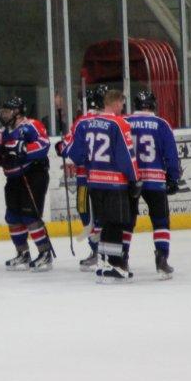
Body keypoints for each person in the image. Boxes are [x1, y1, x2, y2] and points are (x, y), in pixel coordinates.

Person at [65, 89, 140, 282]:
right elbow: (126, 155)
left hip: (94, 183)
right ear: (116, 102)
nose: (122, 107)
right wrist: (134, 178)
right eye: (121, 103)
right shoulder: (119, 123)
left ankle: (104, 263)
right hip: (115, 182)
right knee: (115, 223)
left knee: (104, 223)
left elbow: (74, 155)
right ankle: (114, 265)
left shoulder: (87, 124)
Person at [124, 90, 181, 279]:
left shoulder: (124, 122)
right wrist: (173, 177)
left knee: (127, 221)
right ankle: (162, 260)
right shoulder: (161, 124)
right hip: (155, 181)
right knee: (161, 220)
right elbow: (171, 154)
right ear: (153, 105)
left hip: (130, 179)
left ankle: (122, 258)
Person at [0, 97, 52, 272]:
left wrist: (24, 149)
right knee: (13, 217)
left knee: (30, 216)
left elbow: (44, 145)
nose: (4, 115)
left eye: (7, 111)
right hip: (13, 179)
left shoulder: (32, 125)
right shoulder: (2, 132)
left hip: (33, 175)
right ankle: (23, 254)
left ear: (18, 112)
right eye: (3, 111)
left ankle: (45, 254)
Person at [57, 85, 107, 271]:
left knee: (86, 213)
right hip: (109, 180)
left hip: (85, 179)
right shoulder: (115, 120)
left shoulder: (82, 122)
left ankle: (97, 251)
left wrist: (60, 146)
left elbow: (67, 149)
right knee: (106, 215)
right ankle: (110, 252)